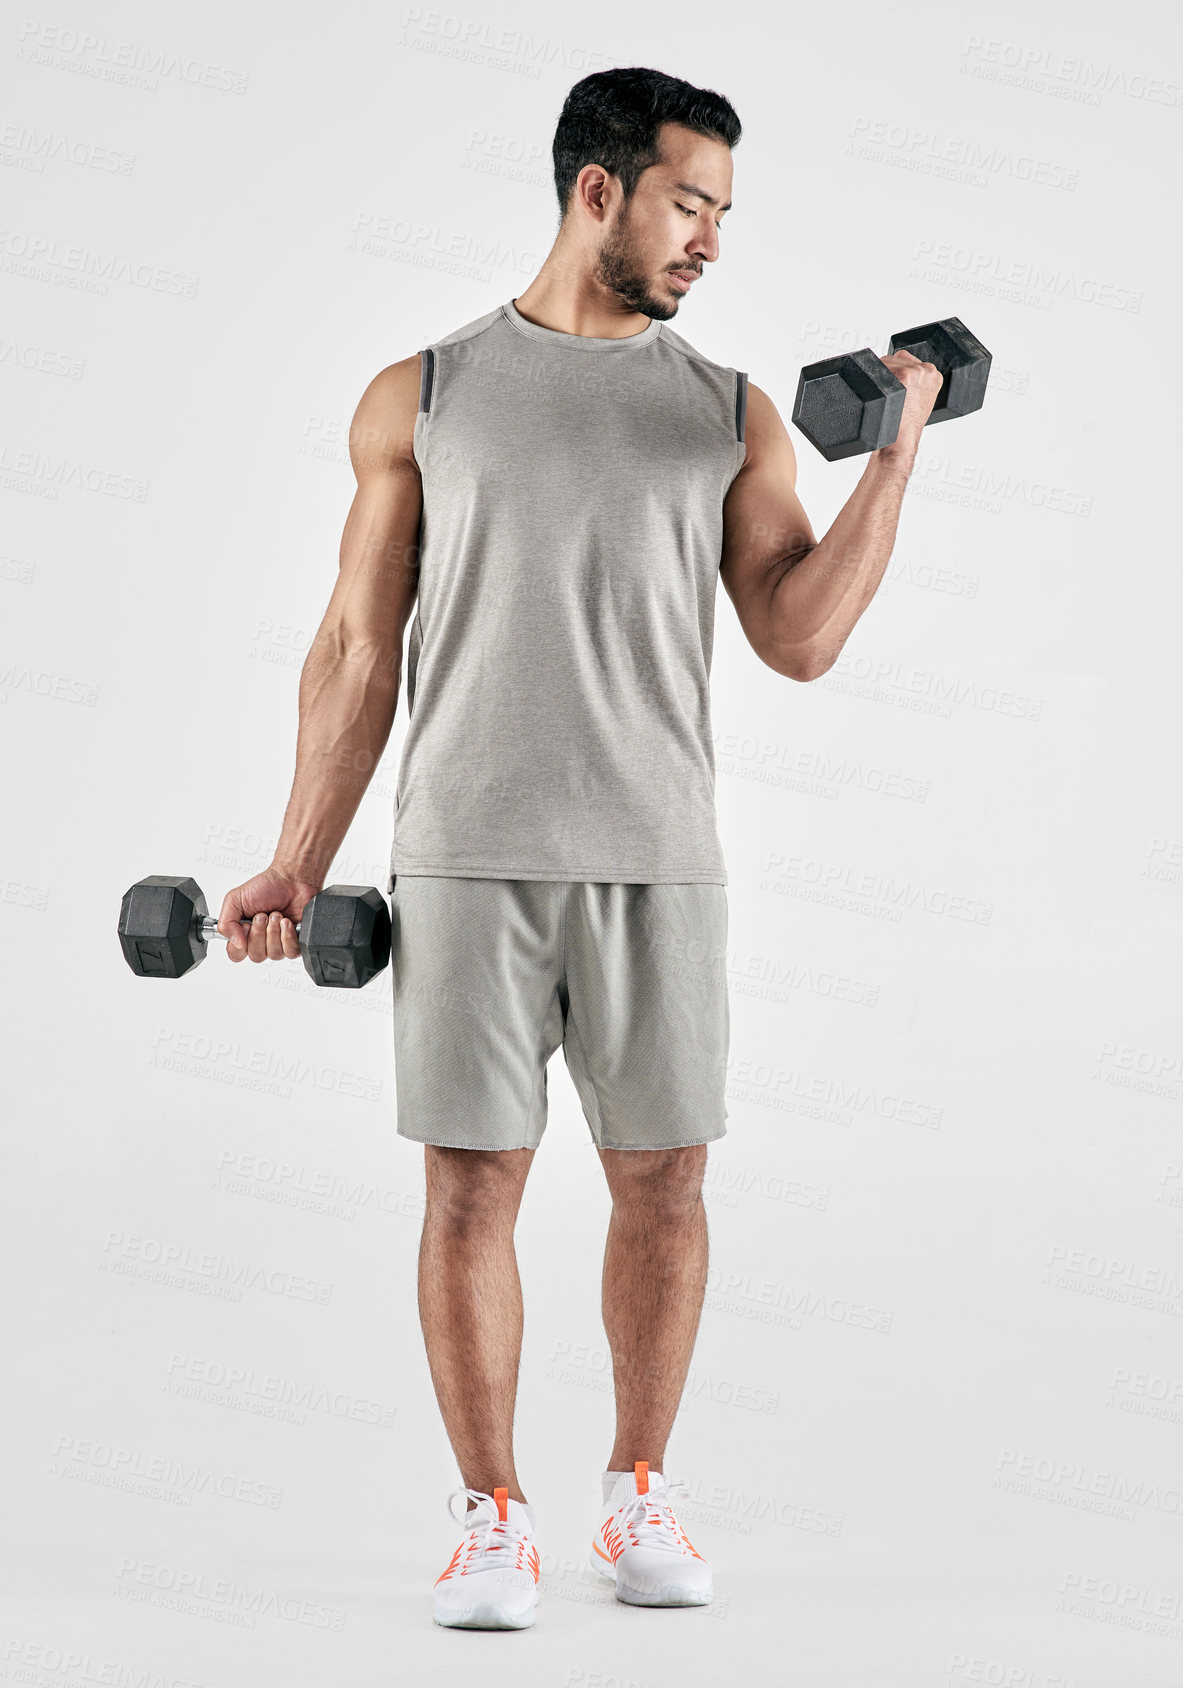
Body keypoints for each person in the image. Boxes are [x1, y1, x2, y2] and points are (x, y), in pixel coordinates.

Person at [217, 66, 941, 1630]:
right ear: (598, 190)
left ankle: (638, 1488)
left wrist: (896, 461)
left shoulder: (731, 411)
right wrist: (293, 855)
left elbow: (799, 640)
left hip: (657, 857)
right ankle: (490, 1516)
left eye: (726, 215)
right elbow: (355, 646)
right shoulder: (424, 394)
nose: (712, 243)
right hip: (466, 853)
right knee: (471, 1189)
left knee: (665, 1182)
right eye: (691, 203)